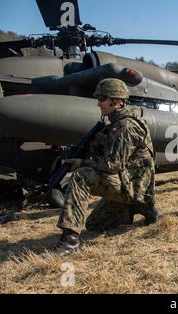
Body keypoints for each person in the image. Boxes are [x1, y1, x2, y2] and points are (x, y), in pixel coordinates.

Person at [55, 78, 157, 257]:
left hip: (130, 186)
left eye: (102, 98)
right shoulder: (115, 124)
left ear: (117, 101)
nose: (98, 103)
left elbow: (111, 165)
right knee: (94, 225)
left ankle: (69, 241)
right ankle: (136, 207)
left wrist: (82, 163)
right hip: (126, 183)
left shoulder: (125, 126)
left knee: (81, 176)